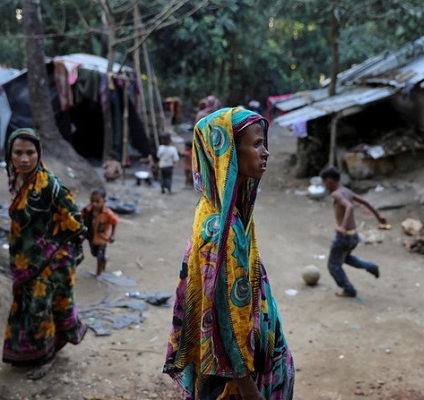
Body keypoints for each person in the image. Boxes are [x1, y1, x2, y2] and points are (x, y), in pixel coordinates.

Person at [164, 107, 294, 399]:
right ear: (229, 155)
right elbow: (221, 318)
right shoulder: (223, 232)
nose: (266, 152)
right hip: (238, 381)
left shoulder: (218, 209)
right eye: (257, 144)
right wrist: (250, 391)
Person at [2, 128, 87, 380]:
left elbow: (75, 220)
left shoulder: (49, 184)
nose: (24, 158)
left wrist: (55, 249)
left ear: (39, 153)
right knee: (31, 307)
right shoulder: (16, 178)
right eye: (18, 153)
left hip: (50, 261)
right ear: (10, 154)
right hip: (26, 260)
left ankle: (45, 357)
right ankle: (36, 351)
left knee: (41, 308)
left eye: (30, 152)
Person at [320, 166, 386, 298]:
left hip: (344, 237)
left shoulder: (337, 194)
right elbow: (365, 202)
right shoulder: (346, 191)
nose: (324, 185)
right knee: (346, 258)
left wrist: (342, 227)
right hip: (353, 236)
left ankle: (349, 290)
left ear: (329, 181)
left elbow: (349, 206)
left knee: (333, 265)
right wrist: (379, 217)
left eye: (324, 182)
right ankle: (371, 266)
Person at [81, 187, 119, 276]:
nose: (94, 204)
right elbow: (79, 216)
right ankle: (104, 260)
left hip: (102, 239)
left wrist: (112, 235)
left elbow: (115, 222)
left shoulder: (107, 213)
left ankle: (98, 275)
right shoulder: (87, 210)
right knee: (94, 253)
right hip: (91, 237)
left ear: (104, 201)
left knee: (99, 256)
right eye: (92, 201)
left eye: (97, 202)